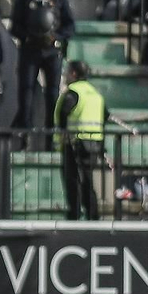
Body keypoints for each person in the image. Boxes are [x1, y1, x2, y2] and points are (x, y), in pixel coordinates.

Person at [11, 0, 75, 129]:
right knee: (26, 92)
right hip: (30, 50)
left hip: (52, 52)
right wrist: (28, 37)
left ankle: (51, 134)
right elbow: (15, 26)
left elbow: (70, 26)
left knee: (52, 93)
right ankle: (25, 132)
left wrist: (56, 37)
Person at [54, 59, 106, 220]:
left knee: (73, 182)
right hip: (94, 143)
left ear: (74, 74)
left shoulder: (73, 92)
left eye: (67, 72)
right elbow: (105, 115)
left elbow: (63, 113)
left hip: (75, 142)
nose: (65, 75)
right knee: (88, 182)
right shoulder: (95, 93)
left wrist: (62, 134)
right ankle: (93, 215)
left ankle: (74, 216)